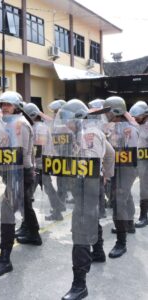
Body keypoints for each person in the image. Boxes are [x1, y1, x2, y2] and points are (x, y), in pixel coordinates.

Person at [57, 99, 113, 300]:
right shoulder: (85, 131)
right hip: (90, 186)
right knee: (92, 220)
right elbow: (110, 154)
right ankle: (98, 252)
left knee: (80, 232)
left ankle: (79, 285)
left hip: (86, 187)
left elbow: (87, 167)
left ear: (77, 119)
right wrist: (105, 175)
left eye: (67, 121)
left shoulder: (88, 134)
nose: (65, 125)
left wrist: (102, 176)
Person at [0, 91, 41, 279]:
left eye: (8, 104)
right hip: (12, 172)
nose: (4, 107)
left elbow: (18, 154)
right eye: (2, 104)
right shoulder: (7, 124)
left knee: (7, 212)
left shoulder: (20, 124)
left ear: (16, 106)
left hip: (19, 173)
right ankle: (34, 234)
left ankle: (5, 258)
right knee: (26, 204)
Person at [104, 96, 138, 258]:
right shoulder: (115, 125)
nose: (105, 114)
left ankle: (121, 242)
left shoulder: (128, 128)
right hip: (118, 167)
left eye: (107, 110)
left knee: (118, 201)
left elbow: (126, 153)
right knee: (125, 197)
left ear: (115, 111)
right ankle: (129, 224)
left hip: (126, 168)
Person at [129, 101, 148, 228]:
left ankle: (143, 216)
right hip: (136, 160)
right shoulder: (136, 124)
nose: (136, 119)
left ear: (145, 114)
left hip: (145, 161)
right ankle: (130, 216)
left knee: (144, 189)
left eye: (138, 116)